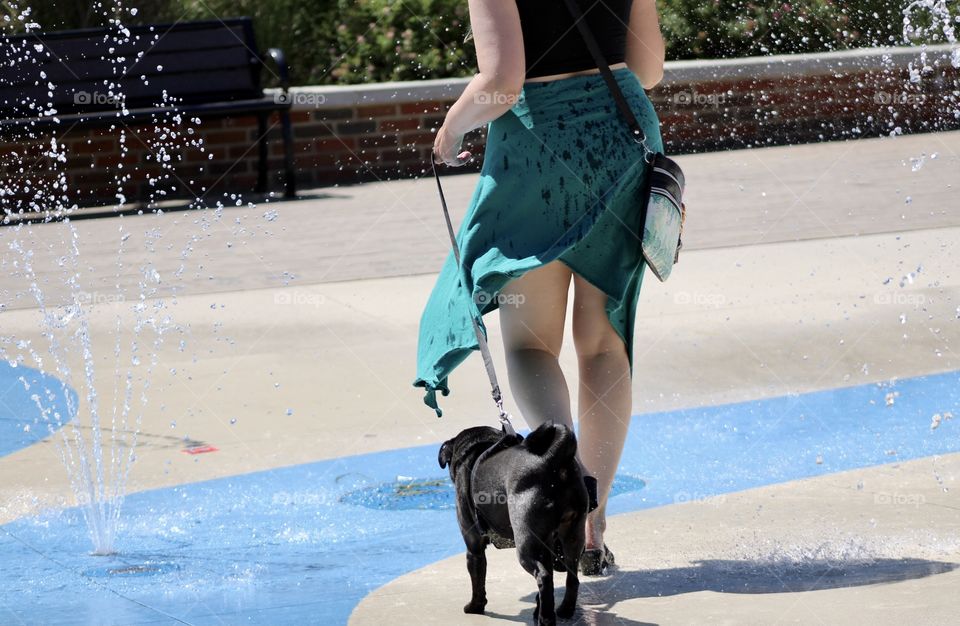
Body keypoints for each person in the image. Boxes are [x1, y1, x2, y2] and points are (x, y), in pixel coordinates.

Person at [414, 0, 666, 576]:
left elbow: (503, 83)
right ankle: (594, 526)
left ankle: (563, 482)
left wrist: (451, 127)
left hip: (537, 151)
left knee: (531, 346)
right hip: (620, 141)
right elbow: (648, 68)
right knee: (603, 345)